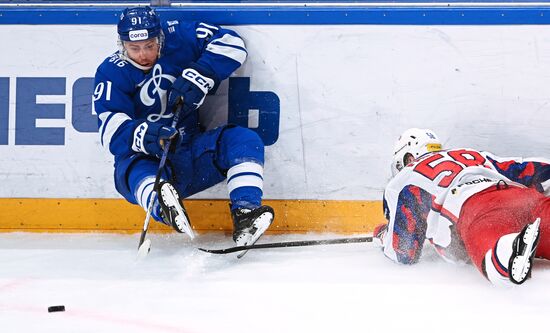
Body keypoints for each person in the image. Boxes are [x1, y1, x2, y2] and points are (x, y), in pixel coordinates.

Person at [93, 6, 274, 246]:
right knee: (135, 171)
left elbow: (232, 43)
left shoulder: (179, 37)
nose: (143, 54)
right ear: (122, 44)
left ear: (160, 37)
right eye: (134, 48)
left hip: (191, 153)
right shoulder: (111, 72)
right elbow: (109, 131)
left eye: (149, 45)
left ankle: (246, 214)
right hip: (149, 162)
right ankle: (163, 204)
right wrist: (150, 136)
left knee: (243, 140)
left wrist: (201, 75)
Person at [374, 128, 550, 285]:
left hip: (476, 208)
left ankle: (506, 250)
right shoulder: (470, 154)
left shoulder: (404, 179)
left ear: (408, 157)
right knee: (543, 215)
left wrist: (381, 234)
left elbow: (403, 252)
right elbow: (526, 169)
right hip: (521, 195)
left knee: (490, 239)